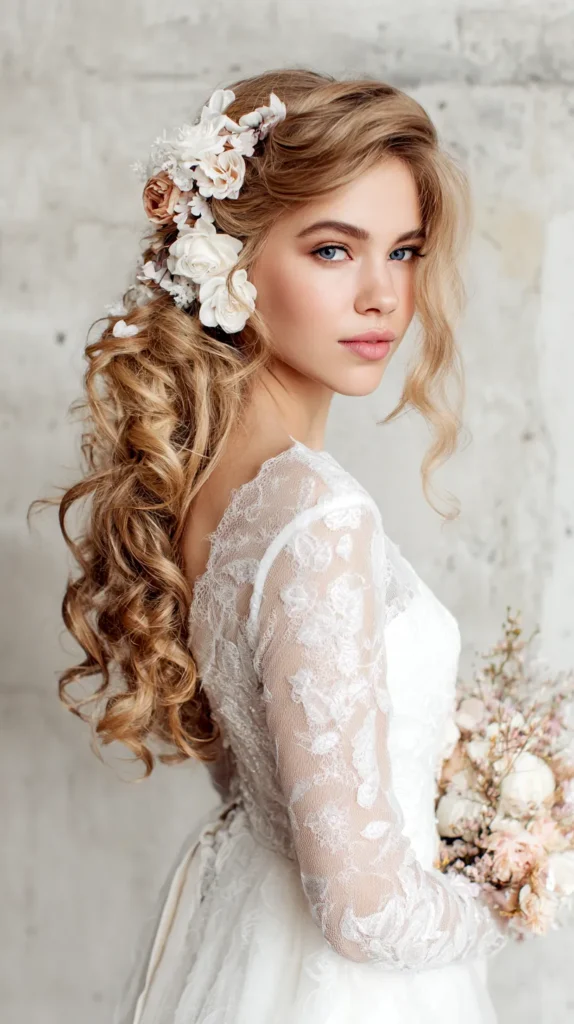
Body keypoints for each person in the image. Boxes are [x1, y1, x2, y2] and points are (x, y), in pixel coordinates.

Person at [32, 68, 510, 1023]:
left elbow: (263, 783)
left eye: (405, 251)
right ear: (232, 261)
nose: (383, 296)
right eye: (334, 250)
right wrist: (502, 897)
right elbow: (364, 908)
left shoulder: (210, 487)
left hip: (253, 941)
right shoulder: (317, 515)